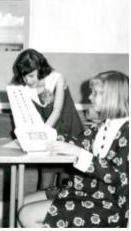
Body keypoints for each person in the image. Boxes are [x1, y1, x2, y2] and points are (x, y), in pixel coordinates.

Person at [18, 70, 128, 227]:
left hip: (110, 204)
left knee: (26, 214)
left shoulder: (127, 132)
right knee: (21, 202)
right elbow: (76, 141)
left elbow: (116, 177)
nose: (89, 97)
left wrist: (78, 153)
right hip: (86, 190)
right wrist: (42, 135)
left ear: (112, 97)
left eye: (95, 93)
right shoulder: (103, 126)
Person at [11, 48, 84, 189]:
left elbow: (56, 111)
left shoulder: (57, 79)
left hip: (70, 132)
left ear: (40, 68)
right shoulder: (25, 88)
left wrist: (41, 134)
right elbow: (28, 115)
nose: (27, 80)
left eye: (31, 75)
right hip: (49, 136)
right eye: (24, 76)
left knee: (67, 182)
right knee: (45, 183)